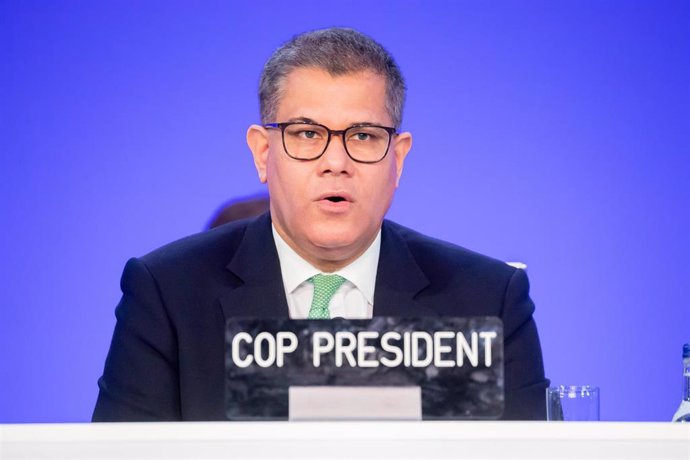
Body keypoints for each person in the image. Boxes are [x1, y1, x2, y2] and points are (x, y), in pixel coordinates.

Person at [93, 27, 548, 421]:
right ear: (262, 153)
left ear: (399, 158)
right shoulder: (168, 294)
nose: (336, 162)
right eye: (307, 134)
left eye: (364, 136)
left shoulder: (488, 300)